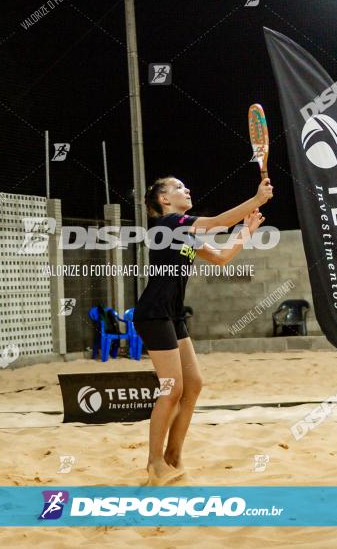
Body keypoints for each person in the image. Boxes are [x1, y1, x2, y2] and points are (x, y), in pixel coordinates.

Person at [134, 176, 273, 485]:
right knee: (172, 388)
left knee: (193, 384)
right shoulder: (169, 223)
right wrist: (256, 199)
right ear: (165, 200)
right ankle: (154, 463)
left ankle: (174, 455)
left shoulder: (184, 233)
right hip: (154, 314)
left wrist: (247, 232)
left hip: (172, 315)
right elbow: (218, 222)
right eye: (180, 187)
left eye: (187, 185)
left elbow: (222, 258)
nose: (188, 189)